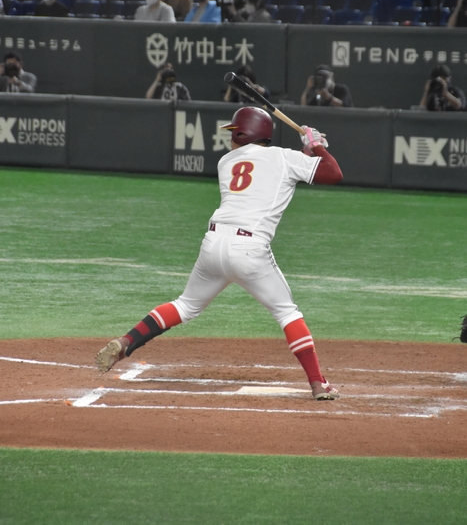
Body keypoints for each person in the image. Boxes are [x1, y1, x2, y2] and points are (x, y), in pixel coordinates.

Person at [96, 106, 343, 401]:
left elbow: (274, 170)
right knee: (287, 312)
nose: (231, 137)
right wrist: (316, 147)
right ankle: (317, 383)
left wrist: (308, 151)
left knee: (185, 305)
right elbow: (334, 173)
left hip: (213, 244)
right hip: (250, 249)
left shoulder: (227, 162)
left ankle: (127, 341)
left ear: (245, 133)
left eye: (234, 132)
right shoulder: (284, 157)